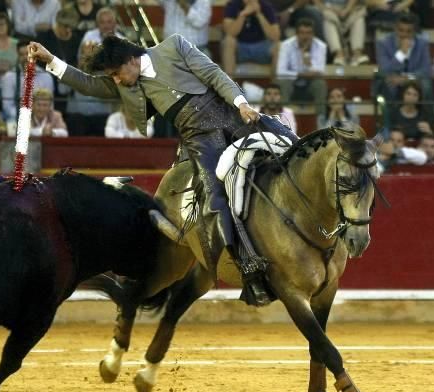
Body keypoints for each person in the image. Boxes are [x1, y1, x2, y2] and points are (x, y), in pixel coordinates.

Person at [28, 34, 274, 306]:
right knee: (215, 198)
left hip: (231, 114)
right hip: (200, 138)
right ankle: (250, 272)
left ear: (131, 60)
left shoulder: (174, 46)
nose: (116, 80)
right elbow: (88, 85)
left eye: (117, 73)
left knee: (287, 143)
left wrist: (241, 104)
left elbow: (212, 73)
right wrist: (50, 60)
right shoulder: (127, 86)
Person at [374, 13, 431, 103]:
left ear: (415, 31)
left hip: (413, 79)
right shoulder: (383, 43)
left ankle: (427, 117)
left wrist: (407, 78)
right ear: (395, 29)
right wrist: (401, 53)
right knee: (389, 84)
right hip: (392, 79)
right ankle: (392, 116)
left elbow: (425, 70)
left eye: (409, 31)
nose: (404, 34)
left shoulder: (422, 44)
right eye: (401, 30)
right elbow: (384, 70)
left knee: (426, 85)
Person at [274, 18, 327, 114]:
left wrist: (307, 61)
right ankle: (284, 122)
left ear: (313, 34)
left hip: (309, 86)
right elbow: (280, 72)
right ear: (297, 34)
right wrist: (300, 74)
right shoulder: (286, 45)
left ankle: (321, 121)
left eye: (308, 33)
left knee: (320, 84)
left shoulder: (320, 46)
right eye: (302, 33)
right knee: (283, 82)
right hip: (292, 85)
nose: (305, 36)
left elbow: (320, 72)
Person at [0, 40, 54, 122]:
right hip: (17, 120)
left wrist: (36, 118)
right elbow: (7, 108)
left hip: (41, 119)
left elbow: (50, 105)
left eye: (28, 54)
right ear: (18, 57)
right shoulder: (9, 77)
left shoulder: (46, 77)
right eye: (22, 55)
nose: (26, 57)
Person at [222, 0, 280, 76]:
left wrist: (259, 14)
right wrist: (243, 14)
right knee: (228, 41)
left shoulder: (266, 6)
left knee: (278, 46)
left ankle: (274, 86)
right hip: (240, 48)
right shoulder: (232, 5)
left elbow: (275, 36)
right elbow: (230, 33)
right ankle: (229, 85)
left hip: (262, 47)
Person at [315, 0, 367, 65]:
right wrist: (330, 9)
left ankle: (357, 54)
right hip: (328, 9)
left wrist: (347, 10)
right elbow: (317, 3)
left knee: (359, 17)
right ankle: (339, 55)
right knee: (327, 17)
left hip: (349, 8)